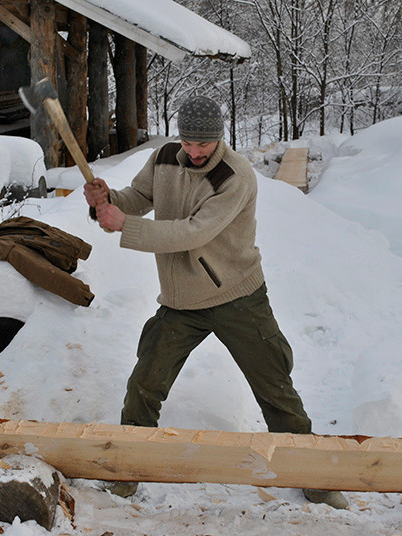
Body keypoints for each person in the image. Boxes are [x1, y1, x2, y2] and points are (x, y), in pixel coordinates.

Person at [83, 96, 347, 509]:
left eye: (202, 144)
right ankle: (125, 474)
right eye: (188, 142)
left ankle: (314, 478)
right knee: (144, 383)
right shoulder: (166, 156)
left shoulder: (235, 177)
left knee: (274, 387)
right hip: (181, 301)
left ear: (219, 138)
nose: (193, 151)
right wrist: (107, 198)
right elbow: (138, 196)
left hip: (236, 295)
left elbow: (192, 233)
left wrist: (126, 227)